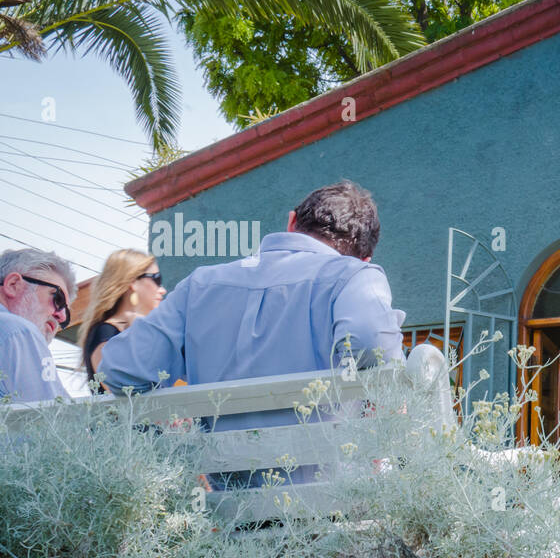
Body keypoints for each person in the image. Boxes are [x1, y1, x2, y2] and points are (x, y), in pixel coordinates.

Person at [99, 180, 406, 483]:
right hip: (332, 512)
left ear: (291, 222)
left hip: (228, 514)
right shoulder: (357, 277)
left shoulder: (201, 285)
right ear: (365, 258)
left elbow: (118, 368)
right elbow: (371, 347)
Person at [78, 249, 167, 390]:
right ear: (133, 281)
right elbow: (120, 390)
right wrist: (138, 333)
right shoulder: (105, 331)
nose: (162, 290)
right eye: (157, 279)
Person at [0, 247, 77, 403]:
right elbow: (51, 418)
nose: (61, 317)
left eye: (67, 314)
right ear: (13, 284)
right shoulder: (18, 330)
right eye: (57, 299)